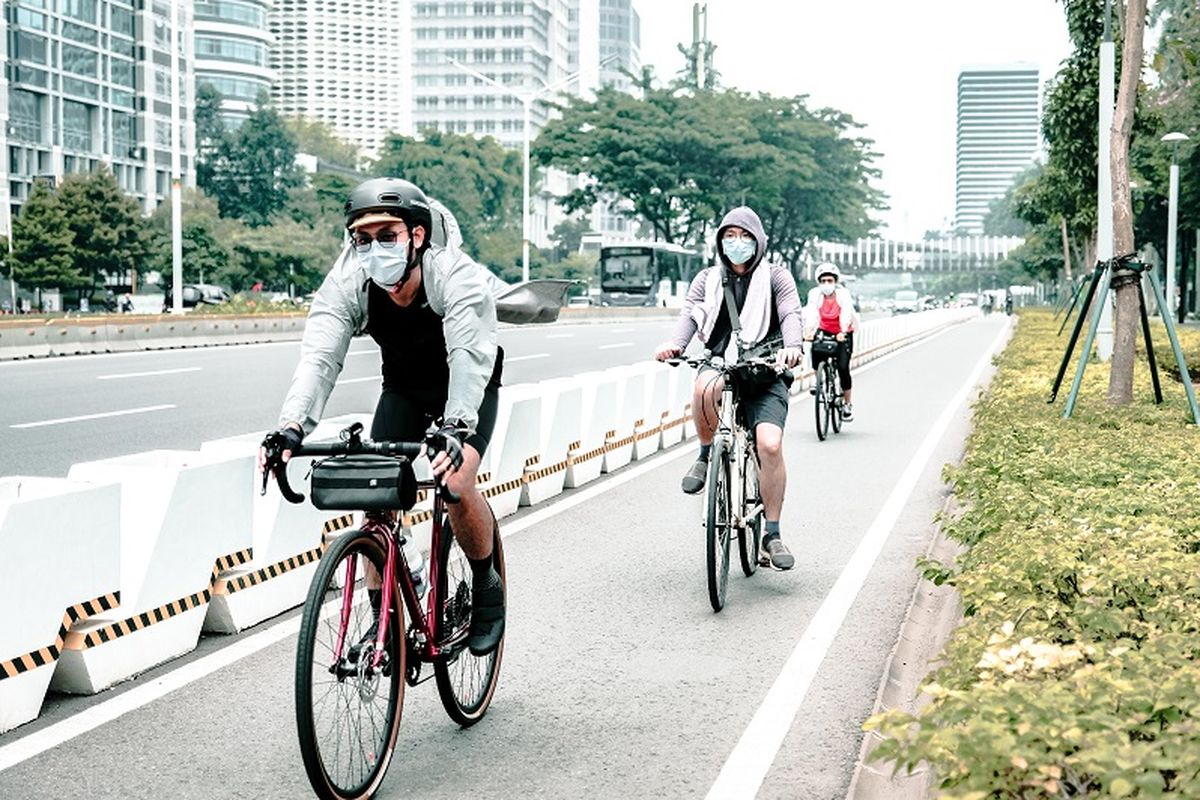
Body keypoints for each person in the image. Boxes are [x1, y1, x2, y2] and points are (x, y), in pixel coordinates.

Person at [258, 177, 505, 657]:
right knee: (376, 501)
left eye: (386, 235)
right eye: (362, 238)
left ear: (417, 235)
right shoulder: (350, 281)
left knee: (454, 484)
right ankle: (381, 621)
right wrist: (291, 426)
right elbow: (320, 358)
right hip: (404, 389)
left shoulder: (454, 275)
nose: (374, 248)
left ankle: (486, 582)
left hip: (467, 389)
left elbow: (469, 358)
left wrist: (455, 426)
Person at [654, 206, 804, 571]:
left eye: (745, 237)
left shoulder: (777, 278)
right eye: (729, 237)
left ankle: (771, 534)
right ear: (720, 242)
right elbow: (690, 314)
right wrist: (674, 344)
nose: (737, 244)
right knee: (704, 386)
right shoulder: (707, 279)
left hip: (767, 368)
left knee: (769, 444)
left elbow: (790, 313)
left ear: (759, 241)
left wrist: (793, 346)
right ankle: (706, 456)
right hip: (722, 363)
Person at [803, 263, 860, 421]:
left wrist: (842, 331)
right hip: (824, 330)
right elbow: (811, 312)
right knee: (814, 350)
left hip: (843, 332)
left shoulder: (843, 294)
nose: (826, 284)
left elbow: (846, 312)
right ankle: (818, 379)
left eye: (830, 280)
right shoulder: (814, 294)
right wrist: (809, 330)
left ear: (835, 281)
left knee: (843, 368)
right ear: (818, 281)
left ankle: (848, 403)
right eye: (823, 280)